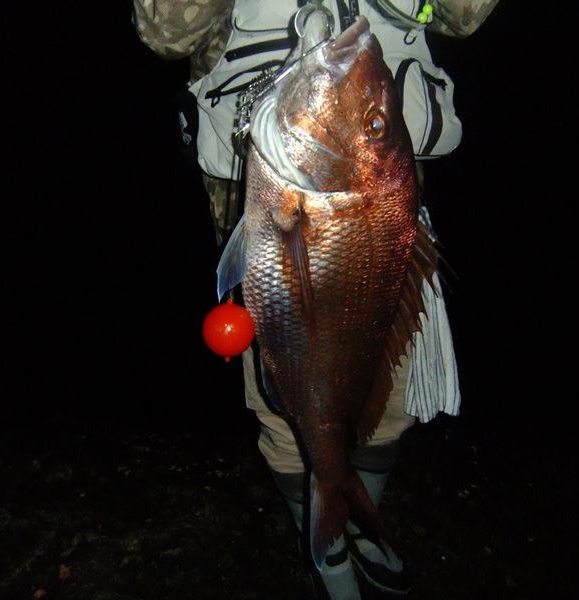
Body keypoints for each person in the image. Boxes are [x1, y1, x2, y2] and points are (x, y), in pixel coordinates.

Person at [132, 1, 499, 597]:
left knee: (391, 391)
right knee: (286, 404)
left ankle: (354, 512)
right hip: (289, 186)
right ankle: (328, 549)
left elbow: (463, 16)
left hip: (379, 201)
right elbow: (163, 32)